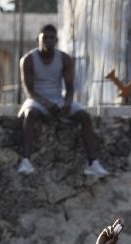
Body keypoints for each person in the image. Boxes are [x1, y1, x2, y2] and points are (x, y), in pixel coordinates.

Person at [15, 24, 108, 178]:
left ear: (56, 40)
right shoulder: (28, 60)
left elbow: (70, 88)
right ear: (38, 39)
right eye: (45, 38)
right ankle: (25, 161)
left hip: (57, 98)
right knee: (30, 114)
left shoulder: (64, 59)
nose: (48, 41)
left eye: (52, 38)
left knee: (84, 116)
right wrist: (46, 104)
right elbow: (29, 91)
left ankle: (93, 163)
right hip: (37, 99)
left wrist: (66, 103)